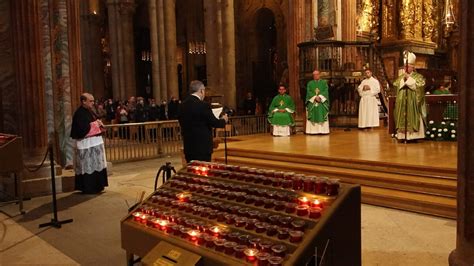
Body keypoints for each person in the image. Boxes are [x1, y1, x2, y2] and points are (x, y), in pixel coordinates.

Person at [178, 80, 228, 163]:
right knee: (203, 173)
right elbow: (214, 122)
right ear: (201, 90)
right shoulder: (203, 105)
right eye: (204, 91)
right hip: (202, 148)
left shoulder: (182, 105)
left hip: (189, 147)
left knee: (192, 172)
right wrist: (224, 120)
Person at [70, 93, 108, 194]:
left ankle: (98, 185)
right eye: (90, 101)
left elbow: (92, 123)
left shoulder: (89, 111)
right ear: (83, 101)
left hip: (94, 143)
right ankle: (89, 187)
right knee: (88, 165)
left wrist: (98, 123)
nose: (93, 103)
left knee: (96, 164)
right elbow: (83, 129)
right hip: (86, 144)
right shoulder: (79, 113)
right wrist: (96, 124)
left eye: (93, 101)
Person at [393, 51, 426, 141]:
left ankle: (414, 136)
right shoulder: (401, 76)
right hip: (402, 101)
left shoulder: (418, 76)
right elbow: (396, 85)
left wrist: (409, 79)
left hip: (413, 102)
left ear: (413, 67)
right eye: (405, 66)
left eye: (408, 66)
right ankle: (402, 136)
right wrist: (404, 80)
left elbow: (420, 87)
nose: (406, 68)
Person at [305, 70, 330, 134]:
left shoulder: (324, 83)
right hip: (312, 101)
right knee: (311, 109)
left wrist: (320, 97)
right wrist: (315, 97)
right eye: (314, 75)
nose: (315, 76)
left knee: (322, 107)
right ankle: (312, 131)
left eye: (317, 74)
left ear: (319, 75)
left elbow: (325, 91)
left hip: (322, 101)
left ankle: (323, 131)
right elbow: (308, 92)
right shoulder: (310, 83)